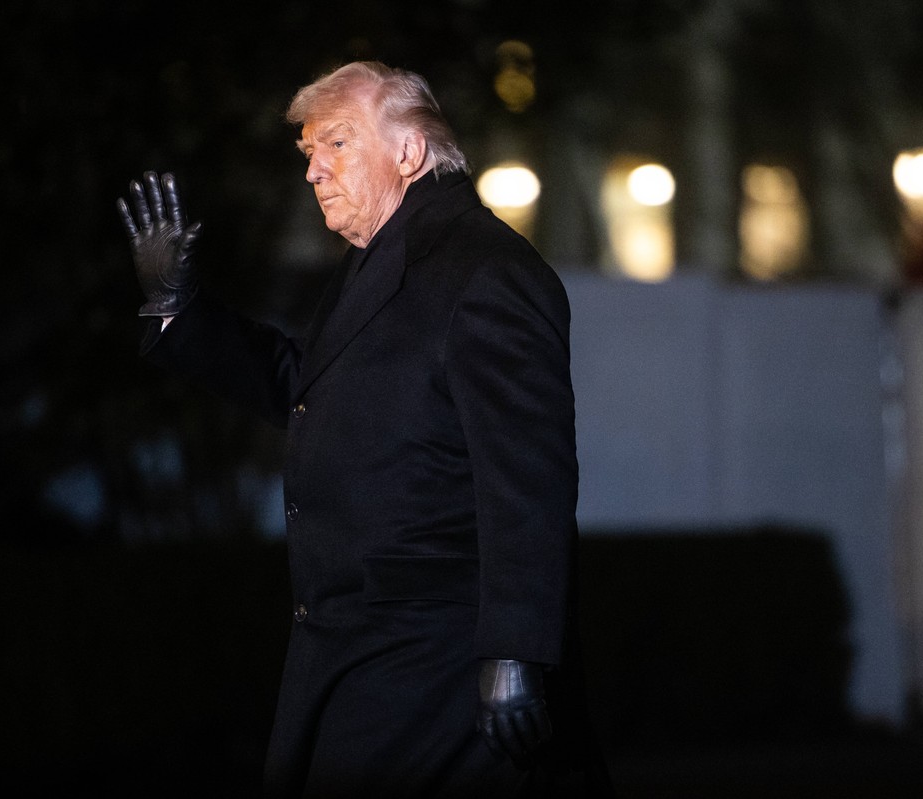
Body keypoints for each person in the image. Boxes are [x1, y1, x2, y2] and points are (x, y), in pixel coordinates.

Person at [117, 61, 613, 798]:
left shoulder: (484, 271)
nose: (313, 169)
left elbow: (529, 480)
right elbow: (309, 387)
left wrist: (516, 650)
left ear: (408, 152)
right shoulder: (382, 263)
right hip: (365, 660)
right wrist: (178, 312)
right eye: (308, 151)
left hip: (436, 671)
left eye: (338, 143)